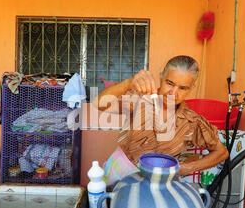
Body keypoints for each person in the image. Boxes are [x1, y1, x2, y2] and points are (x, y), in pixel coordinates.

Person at [93, 55, 228, 184]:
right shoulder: (140, 99)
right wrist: (129, 82)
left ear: (191, 89)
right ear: (161, 76)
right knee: (107, 205)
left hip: (158, 184)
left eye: (183, 88)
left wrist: (188, 168)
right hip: (119, 173)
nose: (173, 93)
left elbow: (221, 152)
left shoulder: (192, 121)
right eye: (170, 83)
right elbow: (99, 104)